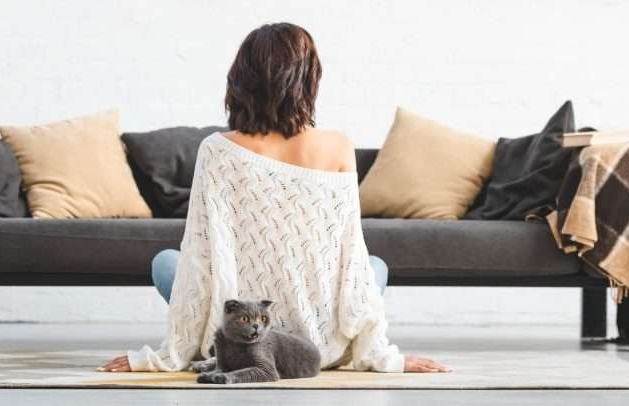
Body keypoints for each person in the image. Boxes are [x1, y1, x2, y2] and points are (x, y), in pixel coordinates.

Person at [100, 22, 448, 374]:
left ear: (242, 81)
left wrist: (168, 353)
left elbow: (199, 264)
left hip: (242, 342)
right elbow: (351, 260)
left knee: (167, 262)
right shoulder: (339, 147)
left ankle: (256, 347)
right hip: (316, 345)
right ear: (308, 80)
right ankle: (296, 346)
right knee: (375, 267)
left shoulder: (216, 151)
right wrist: (382, 353)